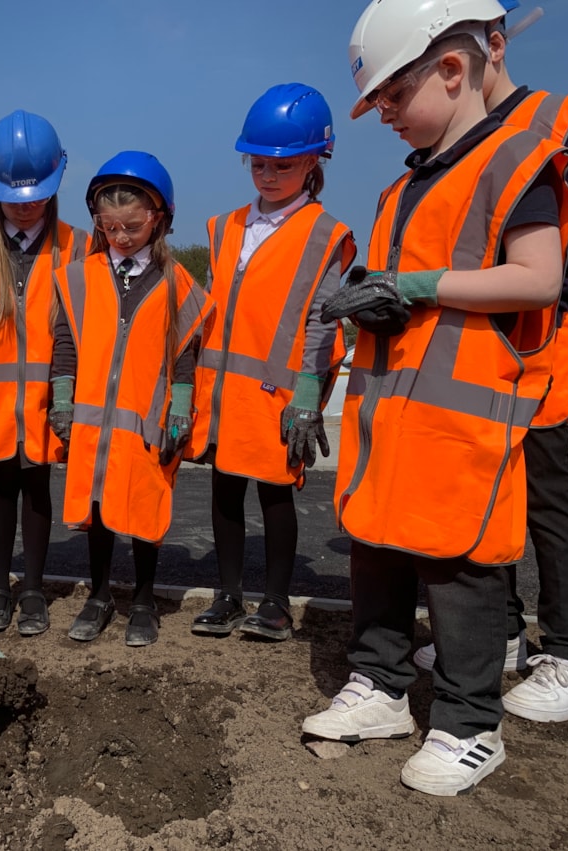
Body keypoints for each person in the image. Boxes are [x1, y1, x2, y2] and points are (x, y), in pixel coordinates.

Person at [302, 0, 568, 797]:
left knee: (461, 569)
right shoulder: (401, 189)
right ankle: (381, 685)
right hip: (392, 415)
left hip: (461, 419)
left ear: (451, 71)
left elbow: (537, 278)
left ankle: (467, 723)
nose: (381, 114)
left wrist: (413, 288)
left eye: (390, 95)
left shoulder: (514, 161)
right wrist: (374, 296)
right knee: (376, 547)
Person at [411, 1, 568, 724]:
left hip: (536, 336)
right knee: (490, 492)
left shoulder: (559, 119)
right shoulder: (455, 142)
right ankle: (504, 632)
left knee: (547, 494)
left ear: (489, 45)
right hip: (478, 343)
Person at [189, 83, 356, 643]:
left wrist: (309, 394)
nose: (268, 174)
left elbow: (323, 318)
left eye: (282, 165)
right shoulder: (224, 228)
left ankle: (277, 603)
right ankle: (229, 596)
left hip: (278, 395)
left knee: (275, 492)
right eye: (258, 163)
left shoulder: (325, 234)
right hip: (221, 391)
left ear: (315, 160)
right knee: (224, 491)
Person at [50, 152, 214, 647]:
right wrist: (61, 398)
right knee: (97, 511)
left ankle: (143, 601)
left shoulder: (177, 283)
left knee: (144, 510)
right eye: (109, 226)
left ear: (159, 219)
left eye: (133, 226)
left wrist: (180, 410)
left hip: (148, 425)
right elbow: (65, 343)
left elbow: (184, 355)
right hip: (92, 424)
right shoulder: (78, 277)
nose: (120, 237)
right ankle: (99, 596)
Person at [0, 110, 89, 637]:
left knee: (39, 488)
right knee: (2, 489)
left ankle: (33, 591)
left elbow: (75, 326)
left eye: (37, 196)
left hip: (49, 401)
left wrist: (67, 394)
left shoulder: (79, 245)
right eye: (14, 197)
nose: (26, 207)